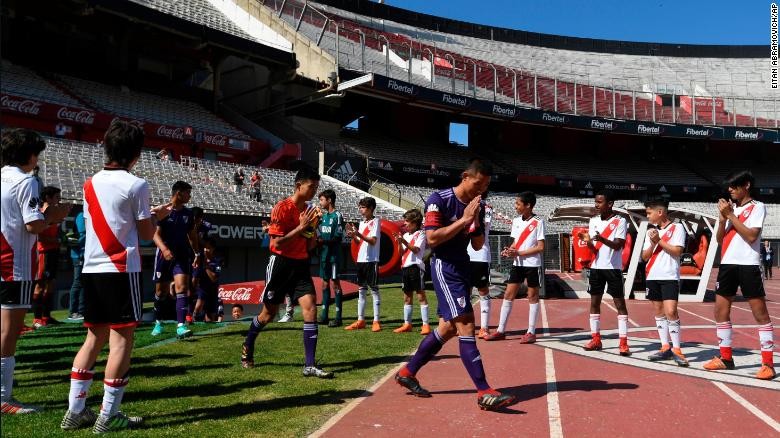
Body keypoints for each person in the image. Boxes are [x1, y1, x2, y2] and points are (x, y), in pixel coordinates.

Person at [61, 120, 169, 432]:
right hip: (121, 269)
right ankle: (109, 415)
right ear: (136, 153)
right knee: (121, 341)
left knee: (93, 339)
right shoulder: (137, 185)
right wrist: (156, 216)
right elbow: (147, 234)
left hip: (93, 268)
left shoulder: (89, 183)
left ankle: (76, 410)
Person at [394, 159, 515, 411]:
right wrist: (464, 219)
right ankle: (484, 391)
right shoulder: (439, 199)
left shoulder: (476, 205)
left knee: (448, 328)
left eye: (486, 186)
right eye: (478, 184)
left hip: (462, 266)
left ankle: (408, 371)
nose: (481, 190)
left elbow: (479, 245)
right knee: (467, 323)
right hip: (444, 266)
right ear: (465, 177)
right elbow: (432, 238)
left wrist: (474, 223)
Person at [240, 166, 333, 379]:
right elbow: (276, 244)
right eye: (312, 187)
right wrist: (301, 227)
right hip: (280, 264)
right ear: (299, 185)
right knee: (268, 314)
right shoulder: (281, 208)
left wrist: (312, 228)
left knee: (310, 309)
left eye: (317, 188)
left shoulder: (309, 210)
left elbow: (309, 246)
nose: (313, 192)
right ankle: (248, 344)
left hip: (301, 265)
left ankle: (309, 365)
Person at [1, 128, 70, 414]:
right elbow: (34, 225)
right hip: (14, 264)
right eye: (37, 155)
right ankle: (3, 397)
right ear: (30, 155)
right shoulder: (26, 181)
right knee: (9, 331)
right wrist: (54, 214)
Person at [704, 171, 775, 380]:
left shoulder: (758, 207)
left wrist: (731, 216)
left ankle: (768, 364)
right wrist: (721, 218)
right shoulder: (731, 209)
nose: (730, 190)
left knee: (759, 312)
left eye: (734, 186)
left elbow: (752, 236)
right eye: (729, 187)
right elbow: (718, 239)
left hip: (748, 264)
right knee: (720, 311)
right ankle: (726, 358)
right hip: (727, 264)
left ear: (747, 185)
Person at [485, 191, 545, 343]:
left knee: (532, 296)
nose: (515, 207)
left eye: (518, 204)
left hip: (532, 265)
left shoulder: (538, 222)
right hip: (517, 264)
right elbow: (515, 243)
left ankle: (531, 332)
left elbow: (540, 247)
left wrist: (519, 252)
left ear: (528, 205)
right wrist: (509, 250)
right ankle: (500, 330)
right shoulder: (516, 221)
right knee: (508, 295)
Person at [579, 190, 631, 355]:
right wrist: (588, 243)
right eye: (596, 202)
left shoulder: (620, 221)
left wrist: (601, 239)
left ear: (610, 204)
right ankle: (595, 339)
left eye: (600, 202)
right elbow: (594, 248)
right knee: (594, 303)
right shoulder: (593, 220)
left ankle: (623, 343)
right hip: (596, 268)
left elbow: (618, 245)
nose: (596, 205)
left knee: (620, 305)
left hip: (613, 269)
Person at [642, 198, 689, 366]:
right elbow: (645, 257)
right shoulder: (651, 231)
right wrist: (653, 242)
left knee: (671, 311)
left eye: (649, 213)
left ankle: (677, 349)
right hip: (652, 275)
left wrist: (659, 241)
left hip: (669, 276)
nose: (647, 216)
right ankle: (665, 347)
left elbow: (677, 251)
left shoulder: (677, 228)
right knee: (659, 312)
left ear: (660, 212)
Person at [150, 181, 200, 339]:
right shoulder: (164, 211)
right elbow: (154, 234)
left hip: (182, 255)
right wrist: (164, 250)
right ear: (178, 193)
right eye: (187, 193)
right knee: (161, 291)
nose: (189, 196)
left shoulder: (189, 213)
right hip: (163, 255)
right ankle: (158, 322)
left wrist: (197, 253)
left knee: (182, 287)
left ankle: (181, 326)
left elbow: (192, 236)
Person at [344, 197, 382, 332]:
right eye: (360, 207)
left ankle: (376, 321)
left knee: (374, 290)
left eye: (363, 207)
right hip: (361, 260)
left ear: (371, 208)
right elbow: (360, 241)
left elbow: (372, 241)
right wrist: (353, 235)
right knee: (361, 290)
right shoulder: (362, 223)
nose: (360, 209)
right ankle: (361, 320)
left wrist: (357, 233)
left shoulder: (376, 221)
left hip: (371, 260)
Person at [393, 209, 430, 335]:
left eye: (407, 221)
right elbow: (401, 253)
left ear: (415, 223)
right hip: (406, 267)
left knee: (421, 296)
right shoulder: (405, 236)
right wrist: (399, 242)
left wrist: (403, 241)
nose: (405, 224)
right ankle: (407, 323)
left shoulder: (421, 234)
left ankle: (425, 325)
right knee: (407, 297)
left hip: (416, 267)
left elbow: (416, 249)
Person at [32, 186, 65, 327]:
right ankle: (37, 318)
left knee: (50, 283)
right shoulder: (40, 213)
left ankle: (46, 316)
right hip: (44, 252)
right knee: (40, 283)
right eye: (57, 197)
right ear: (48, 198)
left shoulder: (55, 214)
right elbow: (38, 235)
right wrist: (57, 240)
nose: (59, 200)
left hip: (53, 251)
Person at [316, 189, 345, 327]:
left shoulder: (337, 216)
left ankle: (338, 317)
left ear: (329, 200)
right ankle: (324, 315)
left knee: (335, 284)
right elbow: (319, 232)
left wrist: (323, 242)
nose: (320, 202)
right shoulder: (323, 217)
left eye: (322, 199)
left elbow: (338, 237)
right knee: (324, 284)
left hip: (334, 256)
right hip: (324, 256)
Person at [469, 195, 493, 339]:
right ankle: (467, 325)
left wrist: (476, 211)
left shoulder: (487, 208)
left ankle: (484, 327)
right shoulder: (464, 206)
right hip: (464, 254)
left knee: (483, 290)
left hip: (480, 255)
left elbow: (483, 225)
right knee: (465, 291)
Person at [193, 237, 222, 322]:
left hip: (213, 291)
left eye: (208, 248)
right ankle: (194, 322)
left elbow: (214, 278)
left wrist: (206, 266)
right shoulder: (198, 261)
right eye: (205, 247)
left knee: (210, 316)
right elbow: (194, 279)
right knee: (198, 308)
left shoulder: (217, 261)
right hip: (202, 289)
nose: (205, 250)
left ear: (213, 249)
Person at [67, 210, 86, 321]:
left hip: (83, 253)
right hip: (79, 254)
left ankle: (81, 310)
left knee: (82, 282)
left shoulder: (83, 214)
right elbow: (83, 234)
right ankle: (74, 311)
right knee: (78, 282)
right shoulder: (82, 215)